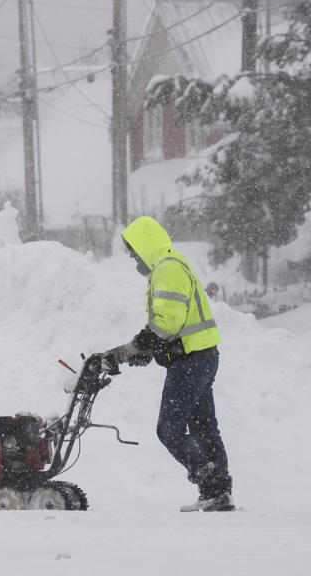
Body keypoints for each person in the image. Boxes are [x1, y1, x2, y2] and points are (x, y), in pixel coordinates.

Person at [102, 216, 234, 512]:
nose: (133, 257)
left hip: (190, 361)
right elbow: (173, 325)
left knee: (169, 429)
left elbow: (167, 322)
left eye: (134, 250)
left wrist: (132, 348)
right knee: (203, 428)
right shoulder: (172, 265)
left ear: (145, 244)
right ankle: (220, 492)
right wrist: (148, 352)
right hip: (201, 357)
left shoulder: (168, 269)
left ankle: (211, 484)